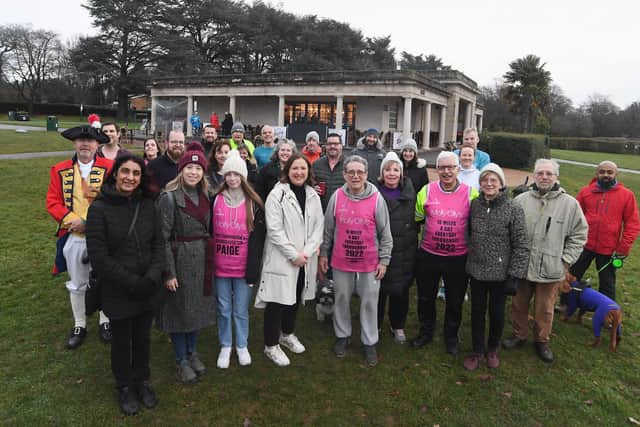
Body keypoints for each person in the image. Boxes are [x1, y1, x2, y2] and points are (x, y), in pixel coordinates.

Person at [86, 154, 164, 415]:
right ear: (116, 174)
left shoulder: (148, 205)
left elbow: (158, 245)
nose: (130, 177)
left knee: (142, 338)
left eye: (136, 173)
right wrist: (133, 282)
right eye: (125, 172)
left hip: (147, 286)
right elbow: (99, 257)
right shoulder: (99, 209)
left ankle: (141, 380)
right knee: (122, 342)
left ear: (142, 178)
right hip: (119, 289)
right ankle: (124, 386)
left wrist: (153, 276)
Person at [503, 159, 588, 363]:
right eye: (540, 173)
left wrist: (565, 260)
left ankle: (542, 341)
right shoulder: (520, 200)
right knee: (518, 304)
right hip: (523, 265)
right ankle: (519, 335)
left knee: (545, 308)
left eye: (549, 174)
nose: (544, 177)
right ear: (534, 175)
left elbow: (579, 235)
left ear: (556, 177)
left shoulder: (570, 204)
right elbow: (508, 231)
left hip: (551, 268)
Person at [319, 155, 393, 367]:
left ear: (366, 175)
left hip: (370, 262)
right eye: (351, 172)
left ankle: (369, 341)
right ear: (344, 175)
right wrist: (324, 253)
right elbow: (328, 230)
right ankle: (342, 335)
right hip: (341, 260)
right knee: (341, 298)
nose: (355, 176)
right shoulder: (337, 197)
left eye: (359, 172)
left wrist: (384, 260)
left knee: (369, 301)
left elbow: (385, 233)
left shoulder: (377, 199)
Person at [46, 126, 114, 349]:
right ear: (74, 143)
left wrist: (92, 223)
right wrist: (72, 219)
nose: (85, 144)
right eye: (81, 140)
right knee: (77, 283)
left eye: (90, 140)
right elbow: (53, 202)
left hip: (104, 236)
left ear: (98, 145)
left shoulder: (111, 168)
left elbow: (117, 197)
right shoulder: (60, 170)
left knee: (105, 279)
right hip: (74, 234)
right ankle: (80, 324)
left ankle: (106, 321)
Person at [255, 154, 324, 366]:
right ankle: (271, 345)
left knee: (294, 298)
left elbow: (318, 228)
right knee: (277, 302)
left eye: (303, 168)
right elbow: (274, 230)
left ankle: (287, 334)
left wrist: (307, 252)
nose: (299, 172)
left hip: (304, 259)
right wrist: (293, 255)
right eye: (295, 168)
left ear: (308, 171)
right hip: (282, 258)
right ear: (287, 170)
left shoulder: (312, 195)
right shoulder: (277, 195)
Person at [156, 144, 216, 383]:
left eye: (198, 168)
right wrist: (168, 272)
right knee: (179, 310)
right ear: (181, 170)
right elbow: (162, 237)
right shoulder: (169, 198)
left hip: (202, 258)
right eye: (189, 167)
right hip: (179, 259)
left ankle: (192, 352)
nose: (193, 172)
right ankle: (181, 358)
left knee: (197, 309)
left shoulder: (205, 196)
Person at [411, 151, 479, 355]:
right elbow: (418, 218)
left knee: (455, 300)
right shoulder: (426, 190)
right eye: (442, 167)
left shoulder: (471, 193)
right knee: (425, 297)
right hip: (429, 255)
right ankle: (426, 332)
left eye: (451, 167)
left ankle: (451, 337)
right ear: (437, 169)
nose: (447, 171)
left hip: (458, 258)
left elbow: (475, 225)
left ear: (459, 168)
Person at [463, 163, 529, 371]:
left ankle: (492, 348)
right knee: (476, 311)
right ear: (480, 184)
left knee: (497, 313)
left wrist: (514, 275)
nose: (489, 183)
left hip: (501, 274)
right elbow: (468, 232)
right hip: (476, 270)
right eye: (485, 180)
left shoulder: (513, 208)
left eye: (494, 180)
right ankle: (476, 350)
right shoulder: (474, 205)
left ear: (501, 184)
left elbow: (521, 243)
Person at [212, 151, 266, 369]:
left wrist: (253, 269)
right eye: (228, 174)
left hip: (243, 268)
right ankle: (226, 344)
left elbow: (258, 240)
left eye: (236, 174)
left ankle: (241, 344)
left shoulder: (252, 203)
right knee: (223, 308)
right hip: (220, 266)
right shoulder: (215, 199)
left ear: (243, 177)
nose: (232, 178)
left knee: (240, 309)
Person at [568, 161, 640, 301]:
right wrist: (571, 240)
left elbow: (632, 223)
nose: (605, 175)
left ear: (616, 174)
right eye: (602, 172)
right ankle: (566, 304)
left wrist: (623, 248)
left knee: (607, 283)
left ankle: (607, 313)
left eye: (609, 172)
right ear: (597, 173)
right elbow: (574, 218)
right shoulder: (585, 192)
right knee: (572, 276)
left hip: (609, 248)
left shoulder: (627, 195)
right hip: (584, 244)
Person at [374, 152, 417, 344]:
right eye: (388, 169)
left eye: (396, 169)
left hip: (404, 249)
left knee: (400, 291)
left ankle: (397, 325)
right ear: (382, 173)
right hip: (379, 250)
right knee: (377, 291)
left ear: (401, 173)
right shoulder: (373, 193)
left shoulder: (410, 193)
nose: (392, 173)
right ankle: (374, 324)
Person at [312, 133, 346, 211]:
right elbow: (309, 183)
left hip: (343, 210)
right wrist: (312, 188)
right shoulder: (316, 164)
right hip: (320, 210)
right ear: (325, 146)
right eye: (329, 144)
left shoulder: (348, 165)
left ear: (341, 146)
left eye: (336, 144)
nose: (332, 146)